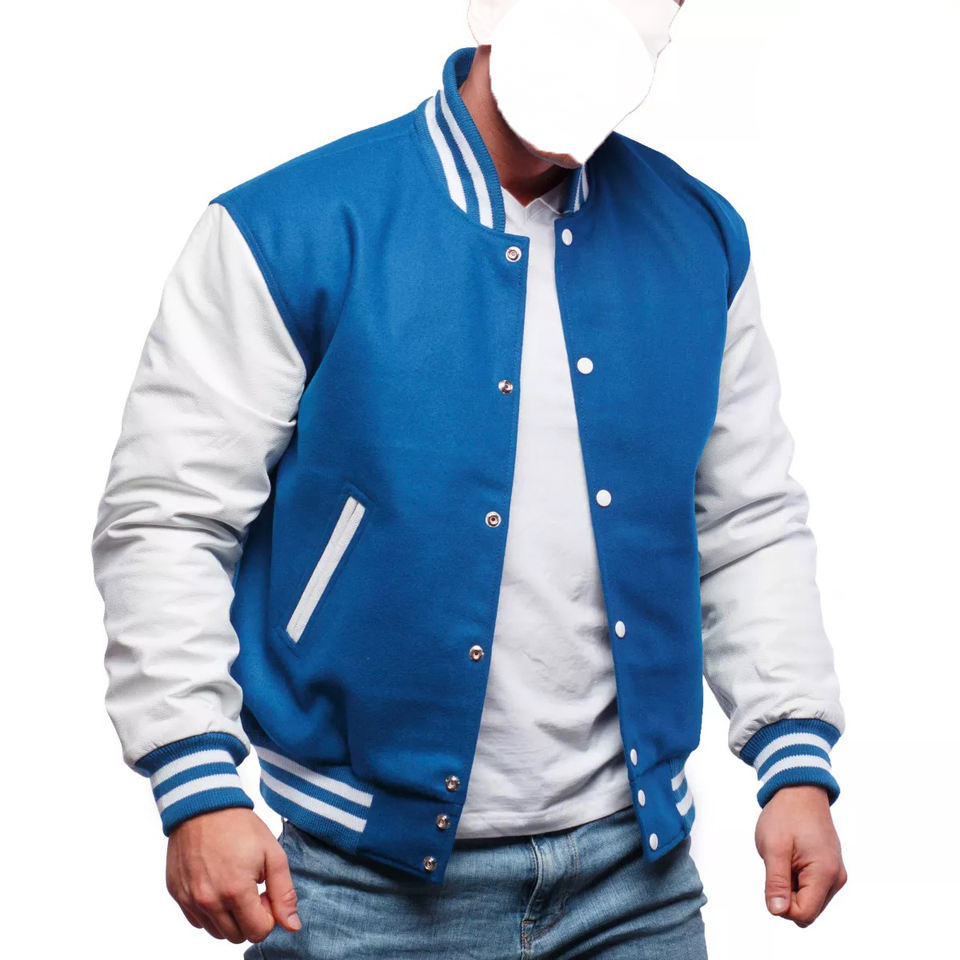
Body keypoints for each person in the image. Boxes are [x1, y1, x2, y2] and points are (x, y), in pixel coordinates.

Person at [90, 4, 847, 956]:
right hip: (358, 881)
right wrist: (193, 776)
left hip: (638, 883)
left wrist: (794, 761)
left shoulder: (697, 238)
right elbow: (168, 517)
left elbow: (747, 519)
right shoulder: (291, 227)